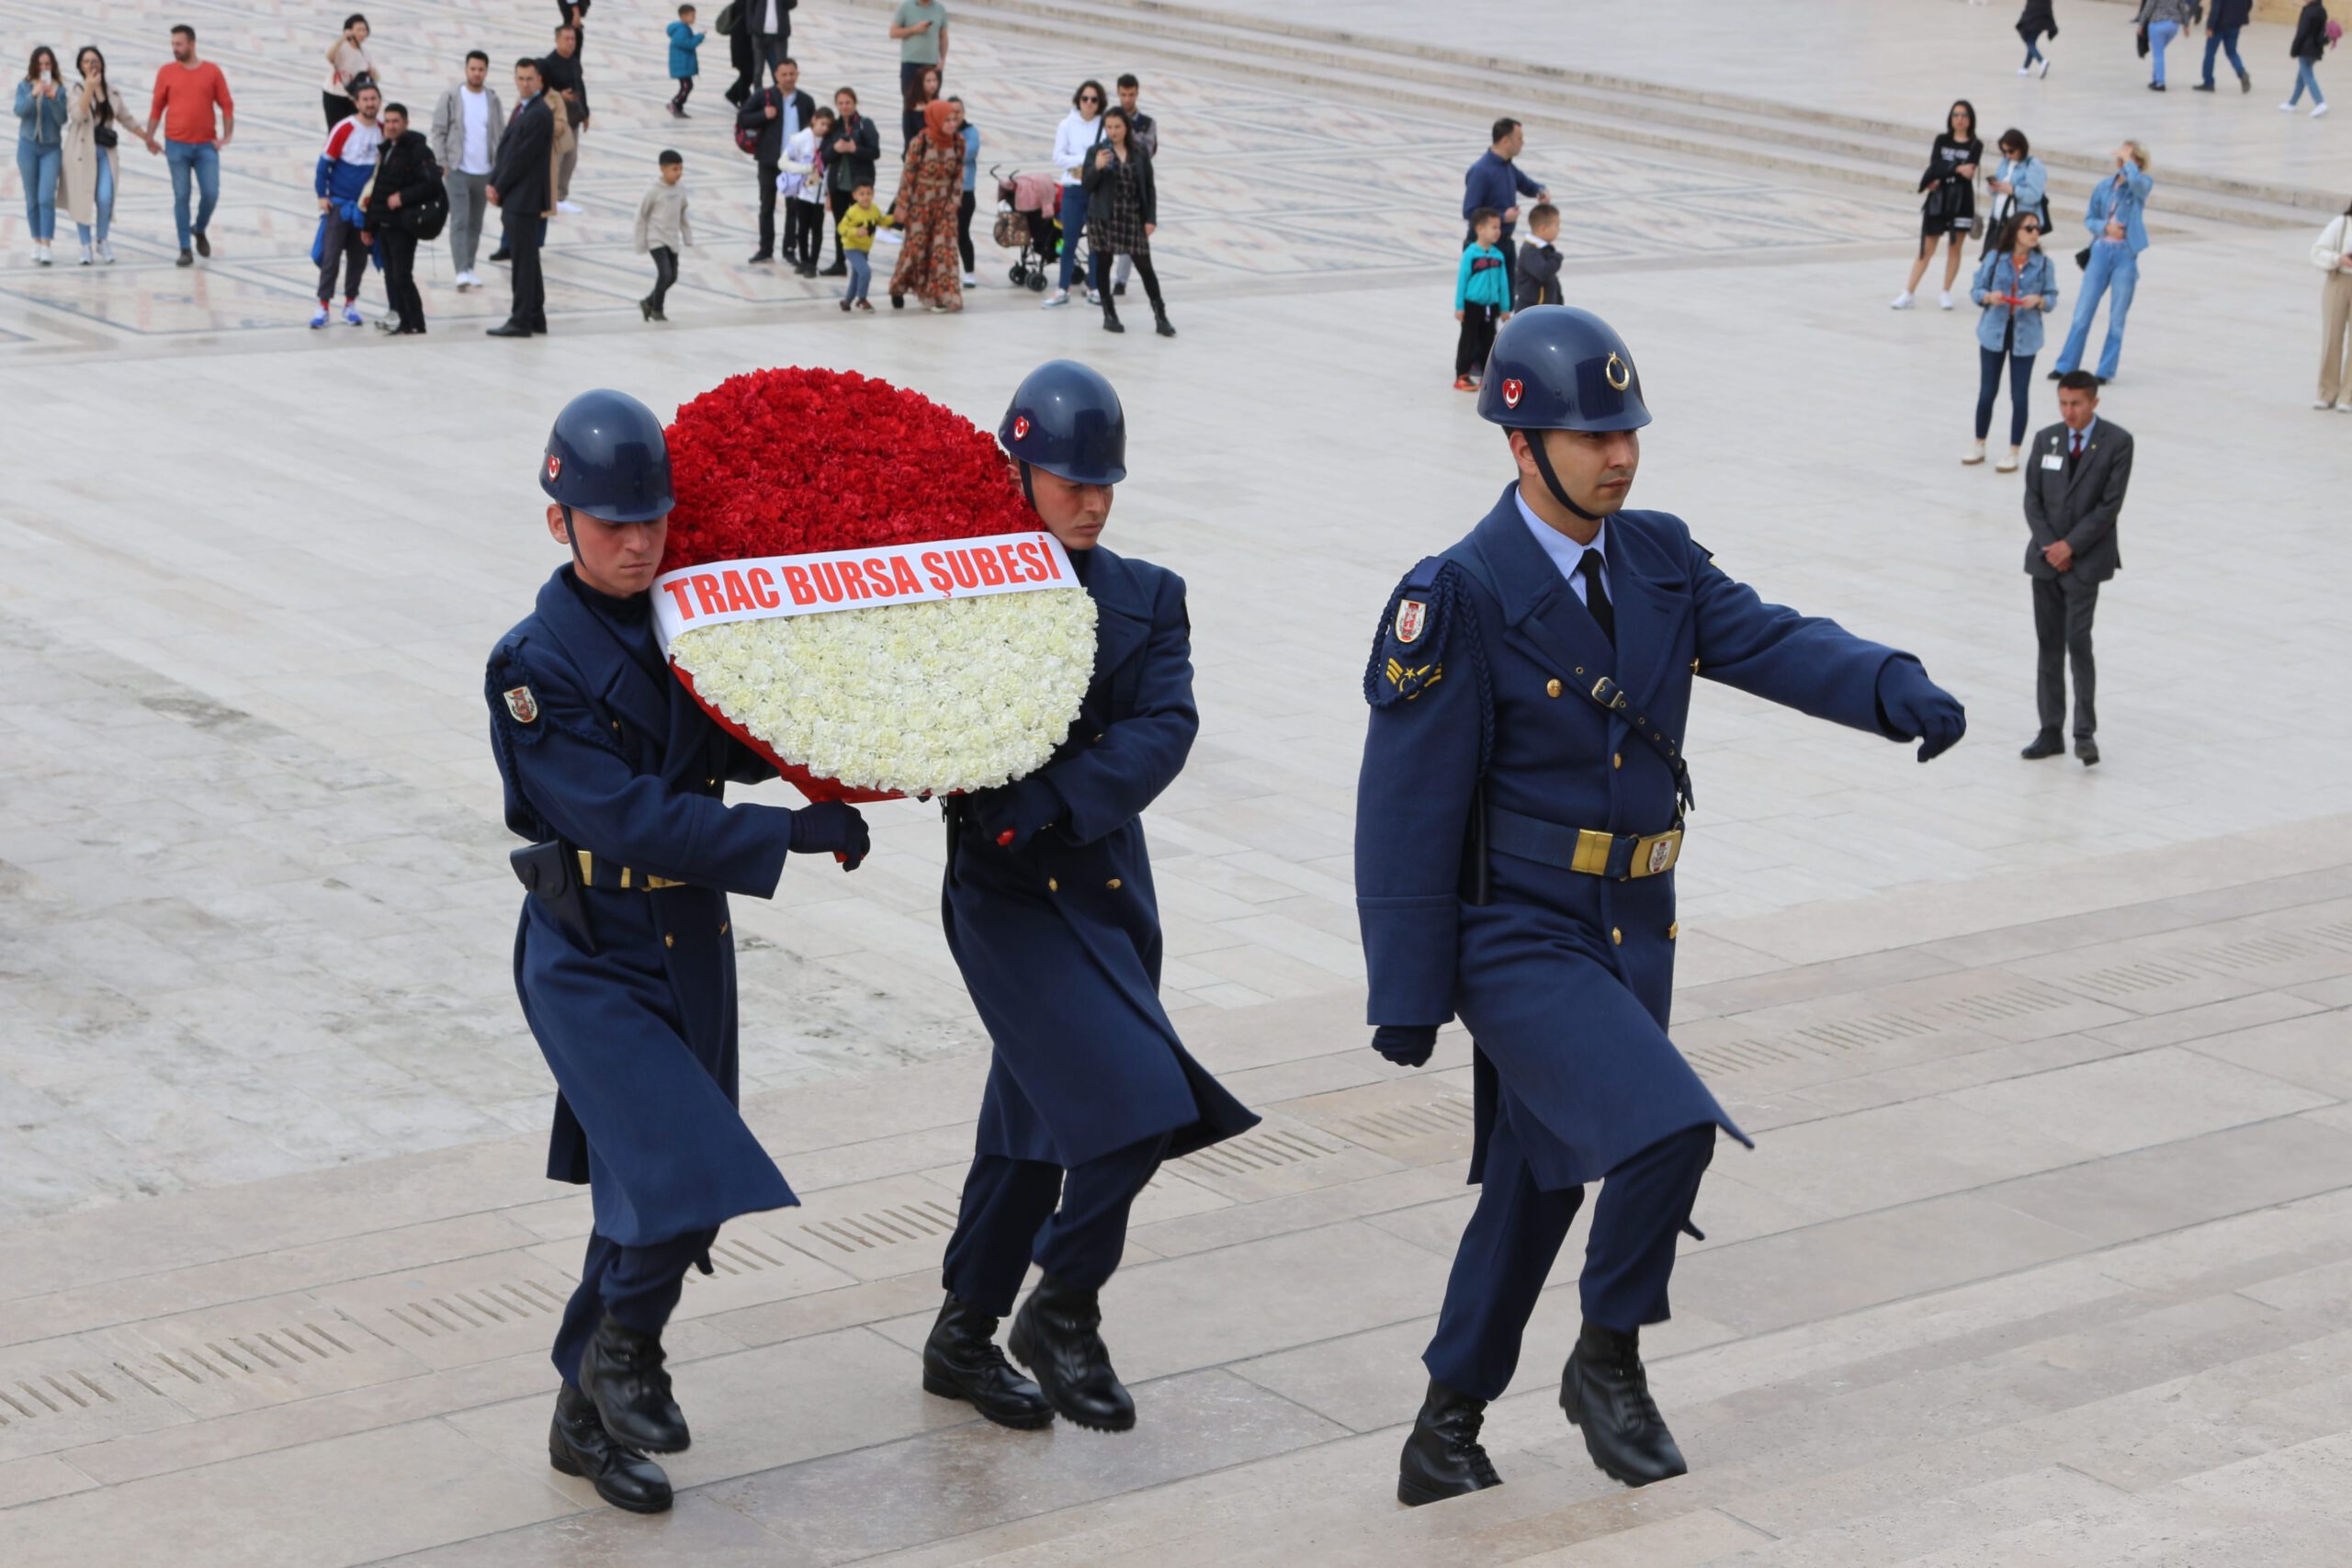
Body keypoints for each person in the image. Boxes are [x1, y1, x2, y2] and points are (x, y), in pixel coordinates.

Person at [1357, 306, 1965, 1507]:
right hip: (1517, 929)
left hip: (1632, 925)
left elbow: (1771, 641)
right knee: (1668, 1125)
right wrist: (1409, 985)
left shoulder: (1659, 555)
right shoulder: (1458, 593)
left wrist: (1890, 684)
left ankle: (1446, 1423)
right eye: (1591, 434)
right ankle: (1611, 1356)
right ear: (1521, 444)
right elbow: (1404, 801)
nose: (1620, 453)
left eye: (1628, 426)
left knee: (1537, 1181)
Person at [487, 389, 870, 1517]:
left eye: (649, 517)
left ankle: (585, 1406)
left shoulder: (684, 620)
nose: (635, 539)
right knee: (681, 1172)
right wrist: (783, 834)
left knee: (666, 1196)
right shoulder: (532, 663)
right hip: (589, 948)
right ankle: (619, 1365)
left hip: (688, 939)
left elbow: (735, 731)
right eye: (610, 520)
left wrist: (842, 747)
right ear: (558, 518)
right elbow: (620, 813)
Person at [923, 359, 1259, 1438]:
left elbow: (1164, 729)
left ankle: (964, 1332)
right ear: (1016, 471)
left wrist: (1056, 797)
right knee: (1136, 1108)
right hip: (1003, 896)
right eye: (1069, 480)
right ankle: (1062, 1305)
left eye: (1104, 480)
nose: (1092, 499)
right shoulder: (953, 589)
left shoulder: (1148, 599)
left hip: (1102, 887)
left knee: (1030, 1127)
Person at [2020, 373, 2129, 767]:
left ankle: (2084, 733)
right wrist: (2052, 546)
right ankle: (2050, 730)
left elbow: (2108, 506)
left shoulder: (2118, 442)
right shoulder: (2046, 438)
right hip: (2047, 563)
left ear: (2094, 403)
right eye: (2064, 403)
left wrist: (2071, 546)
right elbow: (2032, 499)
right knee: (2048, 645)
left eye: (2076, 404)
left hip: (2085, 564)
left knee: (2078, 643)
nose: (2069, 412)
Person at [2052, 141, 2152, 384]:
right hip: (2100, 251)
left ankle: (2105, 371)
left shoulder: (2142, 183)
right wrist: (2105, 227)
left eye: (2128, 156)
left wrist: (2130, 165)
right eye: (2120, 156)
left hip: (2125, 255)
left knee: (2117, 316)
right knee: (2082, 312)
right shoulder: (2104, 186)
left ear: (2138, 160)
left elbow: (2138, 186)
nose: (2121, 160)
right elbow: (2089, 219)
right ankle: (2066, 365)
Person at [1966, 212, 2058, 470]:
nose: (2034, 233)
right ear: (2016, 231)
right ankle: (1979, 444)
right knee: (1987, 392)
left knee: (2019, 395)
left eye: (2037, 229)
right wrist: (1988, 297)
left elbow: (2052, 298)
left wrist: (2038, 301)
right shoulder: (1995, 258)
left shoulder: (2043, 264)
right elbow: (1976, 290)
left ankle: (2014, 451)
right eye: (2029, 228)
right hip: (1993, 333)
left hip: (2025, 337)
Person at [1077, 107, 1170, 336]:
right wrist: (1097, 168)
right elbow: (1087, 186)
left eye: (1118, 126)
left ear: (1126, 127)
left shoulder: (1139, 153)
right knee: (1104, 264)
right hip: (1104, 218)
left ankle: (1160, 315)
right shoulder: (1096, 152)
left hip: (1132, 217)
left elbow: (1149, 188)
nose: (1113, 131)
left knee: (1145, 266)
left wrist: (1151, 218)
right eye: (1109, 127)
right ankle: (1109, 313)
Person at [147, 25, 233, 267]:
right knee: (181, 195)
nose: (175, 49)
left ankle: (199, 228)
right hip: (176, 145)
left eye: (179, 44)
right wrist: (149, 137)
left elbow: (226, 104)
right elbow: (157, 107)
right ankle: (185, 247)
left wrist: (226, 136)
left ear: (192, 44)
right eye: (173, 44)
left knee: (211, 193)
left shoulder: (212, 71)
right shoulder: (166, 72)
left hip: (206, 146)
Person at [487, 57, 555, 337]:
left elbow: (520, 157)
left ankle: (521, 319)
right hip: (517, 197)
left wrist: (498, 186)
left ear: (539, 81)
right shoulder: (525, 109)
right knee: (528, 259)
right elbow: (508, 150)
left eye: (530, 78)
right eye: (520, 78)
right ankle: (536, 316)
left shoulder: (539, 113)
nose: (525, 83)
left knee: (523, 263)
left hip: (524, 198)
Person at [65, 47, 152, 266]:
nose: (91, 64)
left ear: (101, 63)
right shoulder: (75, 90)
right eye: (86, 61)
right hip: (82, 153)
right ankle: (85, 245)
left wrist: (147, 138)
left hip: (105, 152)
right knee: (82, 199)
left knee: (105, 198)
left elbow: (126, 118)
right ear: (80, 67)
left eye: (94, 60)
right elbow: (78, 114)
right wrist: (89, 89)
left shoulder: (112, 92)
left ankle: (102, 240)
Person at [1893, 99, 1981, 310]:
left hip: (1962, 199)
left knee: (1954, 247)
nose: (1959, 119)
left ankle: (1945, 291)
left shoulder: (1975, 144)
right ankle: (1909, 291)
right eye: (1955, 115)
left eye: (1963, 115)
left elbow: (1969, 172)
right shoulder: (1941, 140)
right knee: (1927, 246)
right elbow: (1934, 167)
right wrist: (1957, 168)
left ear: (1970, 120)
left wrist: (1948, 168)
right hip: (1939, 196)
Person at [362, 101, 439, 336]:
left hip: (403, 225)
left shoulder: (418, 151)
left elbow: (431, 184)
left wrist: (403, 198)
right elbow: (378, 190)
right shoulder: (386, 150)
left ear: (406, 123)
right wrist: (369, 226)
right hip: (384, 224)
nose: (392, 126)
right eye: (388, 122)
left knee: (402, 275)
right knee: (392, 275)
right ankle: (405, 322)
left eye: (396, 121)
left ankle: (416, 322)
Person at [311, 80, 383, 330]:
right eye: (365, 99)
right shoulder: (344, 128)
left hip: (365, 210)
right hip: (340, 205)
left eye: (374, 99)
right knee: (329, 256)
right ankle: (323, 306)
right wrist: (322, 195)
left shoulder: (383, 131)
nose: (370, 104)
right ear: (356, 102)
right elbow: (324, 165)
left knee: (358, 257)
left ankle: (350, 303)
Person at [430, 51, 501, 292]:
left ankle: (470, 267)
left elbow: (499, 134)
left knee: (476, 223)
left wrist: (499, 167)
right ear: (466, 69)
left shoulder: (492, 99)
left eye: (481, 69)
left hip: (484, 171)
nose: (477, 73)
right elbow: (438, 130)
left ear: (486, 71)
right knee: (459, 220)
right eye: (473, 69)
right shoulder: (452, 97)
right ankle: (460, 270)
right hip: (458, 169)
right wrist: (442, 161)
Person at [889, 99, 966, 312]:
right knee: (916, 251)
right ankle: (899, 286)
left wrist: (955, 201)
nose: (952, 124)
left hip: (945, 206)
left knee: (945, 251)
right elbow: (908, 175)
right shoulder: (920, 142)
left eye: (954, 119)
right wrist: (902, 204)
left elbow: (959, 176)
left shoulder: (958, 142)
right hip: (920, 204)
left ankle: (941, 296)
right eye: (947, 120)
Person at [741, 62, 811, 265]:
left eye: (792, 73)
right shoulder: (764, 96)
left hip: (794, 164)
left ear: (797, 74)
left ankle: (790, 248)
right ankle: (765, 247)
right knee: (767, 205)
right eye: (784, 74)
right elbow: (743, 118)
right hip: (769, 159)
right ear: (776, 75)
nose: (789, 77)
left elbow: (813, 129)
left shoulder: (805, 101)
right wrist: (764, 114)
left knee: (793, 207)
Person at [1042, 79, 1104, 307]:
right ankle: (1062, 287)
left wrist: (1088, 165)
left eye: (1094, 99)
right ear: (1079, 100)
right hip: (1073, 189)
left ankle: (1095, 286)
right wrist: (1083, 162)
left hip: (1096, 190)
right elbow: (1058, 156)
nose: (1088, 103)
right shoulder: (1066, 124)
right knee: (1068, 241)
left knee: (1096, 242)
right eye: (1085, 98)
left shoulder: (1104, 125)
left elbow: (1107, 156)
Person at [16, 47, 69, 267]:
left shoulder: (60, 89)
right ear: (35, 66)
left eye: (48, 64)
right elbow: (20, 110)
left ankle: (46, 243)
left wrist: (53, 98)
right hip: (28, 146)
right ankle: (36, 240)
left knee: (46, 196)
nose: (44, 68)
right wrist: (33, 94)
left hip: (51, 148)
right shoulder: (24, 86)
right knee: (31, 197)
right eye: (41, 64)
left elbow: (62, 119)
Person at [1463, 118, 1547, 253]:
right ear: (1505, 141)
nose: (1522, 143)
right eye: (1519, 139)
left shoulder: (1508, 167)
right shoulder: (1481, 171)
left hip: (1505, 243)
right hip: (1484, 247)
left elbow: (1527, 185)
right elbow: (1469, 212)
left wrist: (1541, 191)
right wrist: (1502, 217)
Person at [820, 87, 879, 276]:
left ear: (855, 103)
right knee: (841, 224)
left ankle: (861, 260)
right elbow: (824, 156)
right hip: (838, 184)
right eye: (841, 103)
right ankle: (840, 262)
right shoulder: (834, 127)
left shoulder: (865, 124)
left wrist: (855, 149)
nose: (844, 106)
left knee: (862, 222)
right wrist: (836, 148)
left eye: (848, 102)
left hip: (860, 185)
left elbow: (874, 152)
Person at [1107, 74, 1156, 299]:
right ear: (1118, 93)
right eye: (1123, 94)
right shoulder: (1110, 120)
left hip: (1135, 187)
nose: (1127, 99)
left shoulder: (1146, 123)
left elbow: (1145, 150)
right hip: (1111, 184)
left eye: (1131, 95)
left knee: (1131, 236)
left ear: (1137, 93)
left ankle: (1121, 280)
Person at [1453, 208, 1511, 391]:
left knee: (1489, 341)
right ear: (1480, 229)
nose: (1497, 231)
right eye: (1493, 227)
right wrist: (1459, 306)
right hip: (1472, 306)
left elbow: (1504, 283)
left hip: (1491, 306)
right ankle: (1462, 375)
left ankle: (1487, 377)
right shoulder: (1470, 254)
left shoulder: (1498, 256)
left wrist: (1505, 308)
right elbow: (1462, 280)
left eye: (1499, 227)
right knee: (1468, 340)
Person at [635, 149, 690, 321]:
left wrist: (687, 236)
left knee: (672, 277)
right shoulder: (653, 191)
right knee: (665, 274)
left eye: (680, 169)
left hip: (672, 238)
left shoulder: (680, 189)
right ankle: (657, 309)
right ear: (663, 169)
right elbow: (641, 216)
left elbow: (682, 213)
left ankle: (648, 302)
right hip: (656, 239)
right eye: (675, 169)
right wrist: (641, 242)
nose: (678, 173)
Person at [541, 25, 589, 212]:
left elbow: (580, 86)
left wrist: (586, 112)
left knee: (571, 157)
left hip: (574, 117)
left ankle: (561, 196)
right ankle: (551, 196)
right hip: (558, 119)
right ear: (557, 40)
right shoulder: (548, 64)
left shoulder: (574, 61)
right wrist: (560, 95)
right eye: (567, 39)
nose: (571, 43)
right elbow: (543, 92)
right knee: (557, 159)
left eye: (573, 39)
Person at [1980, 128, 2048, 260]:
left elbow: (2034, 195)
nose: (2007, 155)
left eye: (2011, 151)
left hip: (2018, 224)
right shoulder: (2005, 163)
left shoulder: (2033, 166)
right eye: (2004, 151)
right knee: (1991, 261)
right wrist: (1994, 187)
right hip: (1998, 222)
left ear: (2021, 147)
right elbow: (1996, 188)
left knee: (2014, 261)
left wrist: (2013, 190)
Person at [782, 105, 833, 276]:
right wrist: (803, 168)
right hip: (803, 191)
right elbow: (785, 161)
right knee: (802, 228)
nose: (824, 128)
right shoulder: (800, 138)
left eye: (828, 125)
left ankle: (813, 262)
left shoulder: (829, 140)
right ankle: (803, 260)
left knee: (816, 229)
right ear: (814, 120)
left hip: (820, 192)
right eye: (822, 123)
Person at [2312, 197, 2352, 409]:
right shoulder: (2342, 223)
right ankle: (2327, 392)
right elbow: (2317, 251)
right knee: (2332, 337)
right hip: (2338, 281)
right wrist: (2339, 259)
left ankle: (2348, 396)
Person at [837, 179, 891, 311]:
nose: (866, 197)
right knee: (865, 272)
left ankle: (847, 301)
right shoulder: (852, 212)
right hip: (851, 248)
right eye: (862, 194)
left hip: (864, 249)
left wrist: (895, 219)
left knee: (857, 276)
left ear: (873, 194)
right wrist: (856, 231)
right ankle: (862, 299)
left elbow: (882, 221)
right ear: (855, 196)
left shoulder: (874, 209)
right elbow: (841, 228)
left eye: (868, 193)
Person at [322, 14, 379, 131]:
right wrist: (342, 38)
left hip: (353, 97)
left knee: (352, 129)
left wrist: (373, 74)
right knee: (335, 129)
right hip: (334, 95)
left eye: (364, 29)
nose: (362, 33)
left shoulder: (365, 52)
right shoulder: (341, 47)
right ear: (349, 31)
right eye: (358, 30)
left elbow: (376, 78)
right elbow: (329, 56)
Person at [891, 0, 949, 108]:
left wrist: (943, 59)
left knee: (932, 104)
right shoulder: (906, 7)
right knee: (910, 103)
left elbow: (943, 37)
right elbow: (893, 32)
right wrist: (914, 29)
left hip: (932, 65)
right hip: (910, 64)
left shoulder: (940, 9)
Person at [952, 96, 979, 285]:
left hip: (965, 191)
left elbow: (968, 154)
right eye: (950, 112)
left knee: (962, 231)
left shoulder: (971, 132)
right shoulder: (939, 132)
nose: (955, 116)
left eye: (958, 112)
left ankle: (969, 272)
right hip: (944, 193)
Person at [2135, 0, 2194, 90]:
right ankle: (2155, 79)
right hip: (2173, 26)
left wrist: (2141, 24)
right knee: (2159, 52)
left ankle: (2160, 83)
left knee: (2158, 54)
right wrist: (2186, 25)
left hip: (2157, 25)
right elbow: (2183, 8)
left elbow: (2148, 8)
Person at [2197, 0, 2254, 92]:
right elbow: (2249, 4)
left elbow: (2216, 8)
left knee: (2210, 54)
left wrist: (2210, 27)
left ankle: (2208, 83)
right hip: (2235, 24)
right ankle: (2242, 73)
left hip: (2219, 25)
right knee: (2232, 52)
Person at [1515, 203, 1564, 310]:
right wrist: (1557, 258)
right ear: (1543, 228)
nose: (1559, 230)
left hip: (1544, 308)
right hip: (1531, 309)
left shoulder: (1544, 249)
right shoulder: (1530, 250)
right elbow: (1543, 272)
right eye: (1557, 225)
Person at [2285, 1, 2330, 116]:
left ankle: (2320, 102)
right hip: (2315, 50)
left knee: (2308, 77)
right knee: (2301, 78)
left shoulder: (2308, 12)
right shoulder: (2322, 11)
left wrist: (2294, 50)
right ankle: (2292, 103)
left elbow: (2301, 32)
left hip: (2305, 50)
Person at [747, 0, 793, 88]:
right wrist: (751, 27)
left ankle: (780, 95)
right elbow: (749, 6)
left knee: (781, 68)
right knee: (758, 70)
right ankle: (758, 96)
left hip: (779, 35)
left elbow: (791, 4)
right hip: (759, 34)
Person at [667, 6, 703, 118]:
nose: (694, 18)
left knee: (687, 86)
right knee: (687, 86)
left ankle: (678, 107)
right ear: (683, 16)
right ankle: (675, 103)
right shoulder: (682, 30)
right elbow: (688, 44)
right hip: (682, 65)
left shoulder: (683, 28)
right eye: (692, 16)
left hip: (683, 64)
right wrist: (699, 37)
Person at [901, 62, 942, 152]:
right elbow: (909, 136)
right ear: (921, 83)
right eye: (928, 81)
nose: (933, 84)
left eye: (935, 80)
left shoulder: (939, 106)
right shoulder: (912, 108)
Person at [2017, 0, 2057, 76]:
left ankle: (2042, 61)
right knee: (2031, 42)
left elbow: (2031, 7)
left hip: (2034, 21)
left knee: (2030, 43)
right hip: (2043, 21)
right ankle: (2025, 68)